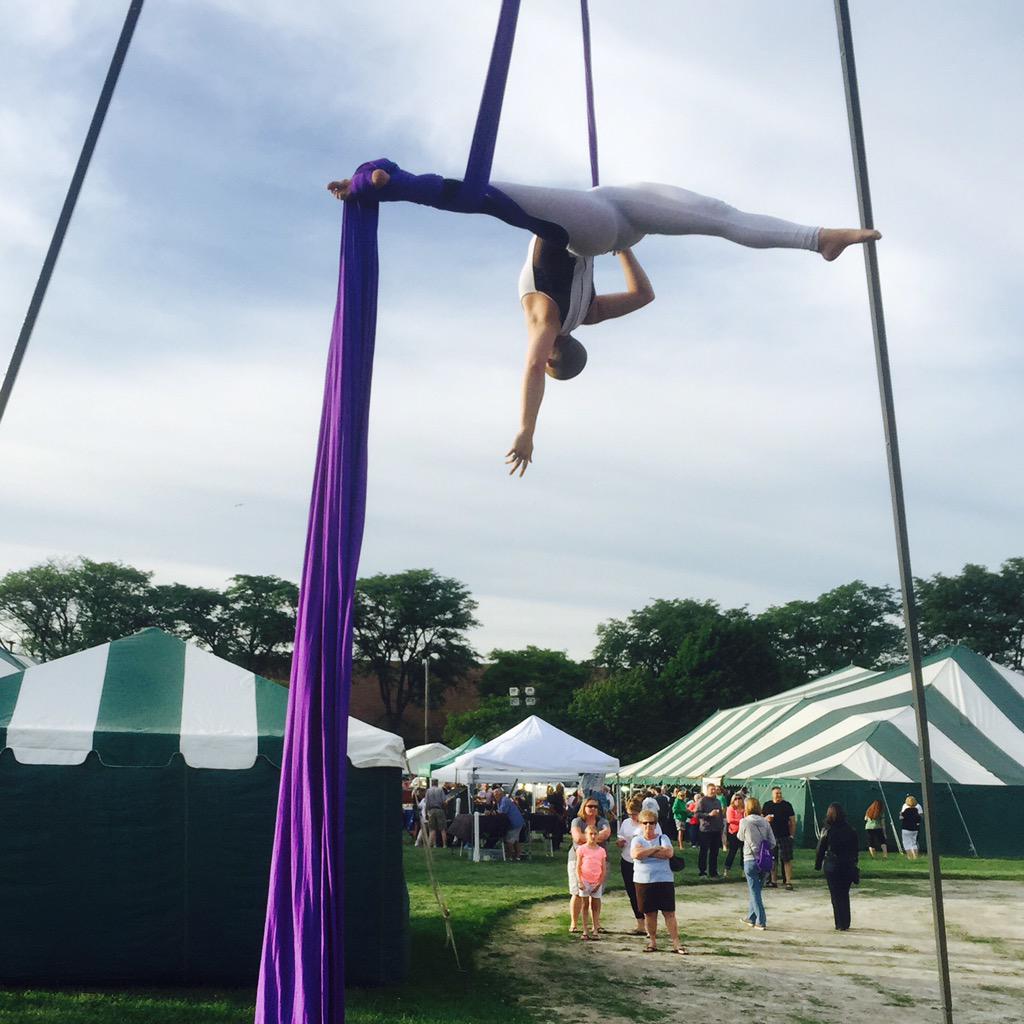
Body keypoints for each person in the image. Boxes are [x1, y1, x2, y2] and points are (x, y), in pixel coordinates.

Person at [327, 164, 881, 477]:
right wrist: (525, 429)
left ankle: (820, 240)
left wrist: (626, 246)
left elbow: (644, 295)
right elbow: (529, 369)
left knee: (721, 220)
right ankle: (388, 182)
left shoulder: (587, 313)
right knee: (486, 197)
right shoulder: (546, 317)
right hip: (593, 222)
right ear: (555, 355)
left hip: (620, 214)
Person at [630, 810, 686, 954]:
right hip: (644, 881)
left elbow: (668, 853)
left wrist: (646, 852)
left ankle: (676, 943)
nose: (649, 826)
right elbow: (636, 855)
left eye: (652, 823)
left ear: (656, 824)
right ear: (641, 824)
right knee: (650, 913)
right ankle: (652, 941)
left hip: (663, 879)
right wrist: (655, 849)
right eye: (645, 823)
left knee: (669, 913)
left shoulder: (663, 837)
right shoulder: (637, 839)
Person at [617, 796, 661, 937]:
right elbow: (621, 835)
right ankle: (640, 923)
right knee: (632, 893)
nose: (633, 817)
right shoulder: (626, 823)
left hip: (644, 862)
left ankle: (650, 925)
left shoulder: (649, 822)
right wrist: (620, 842)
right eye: (630, 814)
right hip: (627, 860)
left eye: (635, 814)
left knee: (646, 894)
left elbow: (657, 839)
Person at [567, 797, 611, 935]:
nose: (593, 809)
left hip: (598, 861)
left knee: (596, 895)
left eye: (596, 807)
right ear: (584, 807)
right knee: (577, 892)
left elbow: (607, 833)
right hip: (578, 859)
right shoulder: (577, 821)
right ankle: (574, 922)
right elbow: (577, 838)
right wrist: (595, 837)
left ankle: (596, 924)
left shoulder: (603, 821)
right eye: (590, 806)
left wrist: (588, 836)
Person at [815, 803, 860, 931]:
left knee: (835, 895)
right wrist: (854, 863)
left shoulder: (827, 830)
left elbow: (820, 849)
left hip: (832, 865)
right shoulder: (851, 830)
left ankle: (839, 923)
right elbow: (855, 850)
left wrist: (818, 865)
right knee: (844, 894)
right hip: (847, 865)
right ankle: (846, 922)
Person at [737, 797, 775, 930]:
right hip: (764, 859)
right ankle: (751, 917)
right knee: (757, 890)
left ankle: (761, 920)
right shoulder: (765, 822)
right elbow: (772, 842)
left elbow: (740, 837)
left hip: (750, 858)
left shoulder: (744, 821)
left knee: (754, 891)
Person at [576, 825, 608, 941]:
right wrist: (580, 881)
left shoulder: (601, 851)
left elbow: (603, 868)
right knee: (585, 905)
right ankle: (585, 930)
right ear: (586, 835)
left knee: (595, 906)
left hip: (596, 881)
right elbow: (578, 866)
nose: (593, 836)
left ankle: (595, 928)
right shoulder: (582, 849)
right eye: (591, 834)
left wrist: (600, 882)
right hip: (585, 880)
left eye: (595, 834)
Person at [762, 786, 797, 890]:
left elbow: (792, 821)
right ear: (772, 794)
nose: (779, 795)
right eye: (777, 793)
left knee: (787, 859)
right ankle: (773, 881)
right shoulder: (767, 805)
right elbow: (760, 818)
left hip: (784, 836)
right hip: (771, 836)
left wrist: (792, 835)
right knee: (773, 859)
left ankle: (788, 881)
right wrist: (765, 818)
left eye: (780, 793)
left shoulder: (787, 805)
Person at [696, 782, 725, 878]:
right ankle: (702, 871)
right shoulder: (702, 801)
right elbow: (697, 814)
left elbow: (720, 815)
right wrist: (708, 815)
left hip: (716, 829)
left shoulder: (718, 801)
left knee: (715, 852)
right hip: (705, 829)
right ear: (707, 790)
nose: (714, 791)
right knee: (704, 851)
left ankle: (713, 872)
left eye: (715, 789)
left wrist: (721, 827)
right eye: (712, 789)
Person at [493, 786, 525, 861]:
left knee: (509, 840)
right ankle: (518, 856)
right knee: (515, 840)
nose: (495, 797)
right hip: (517, 822)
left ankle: (511, 856)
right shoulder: (502, 800)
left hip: (514, 822)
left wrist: (493, 813)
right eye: (494, 795)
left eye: (496, 795)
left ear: (500, 794)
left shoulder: (505, 800)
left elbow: (502, 811)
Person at [723, 792, 746, 877]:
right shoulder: (731, 808)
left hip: (743, 831)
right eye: (735, 799)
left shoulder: (744, 809)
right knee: (732, 851)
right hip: (734, 832)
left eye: (739, 798)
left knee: (744, 852)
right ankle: (726, 869)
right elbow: (730, 820)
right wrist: (741, 821)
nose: (737, 800)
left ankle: (744, 870)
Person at [423, 779, 448, 849]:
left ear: (431, 783)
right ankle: (444, 845)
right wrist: (445, 810)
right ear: (437, 783)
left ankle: (434, 845)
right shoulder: (440, 790)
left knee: (432, 829)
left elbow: (426, 803)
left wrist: (426, 812)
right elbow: (444, 801)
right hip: (439, 809)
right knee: (442, 829)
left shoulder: (428, 791)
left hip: (431, 810)